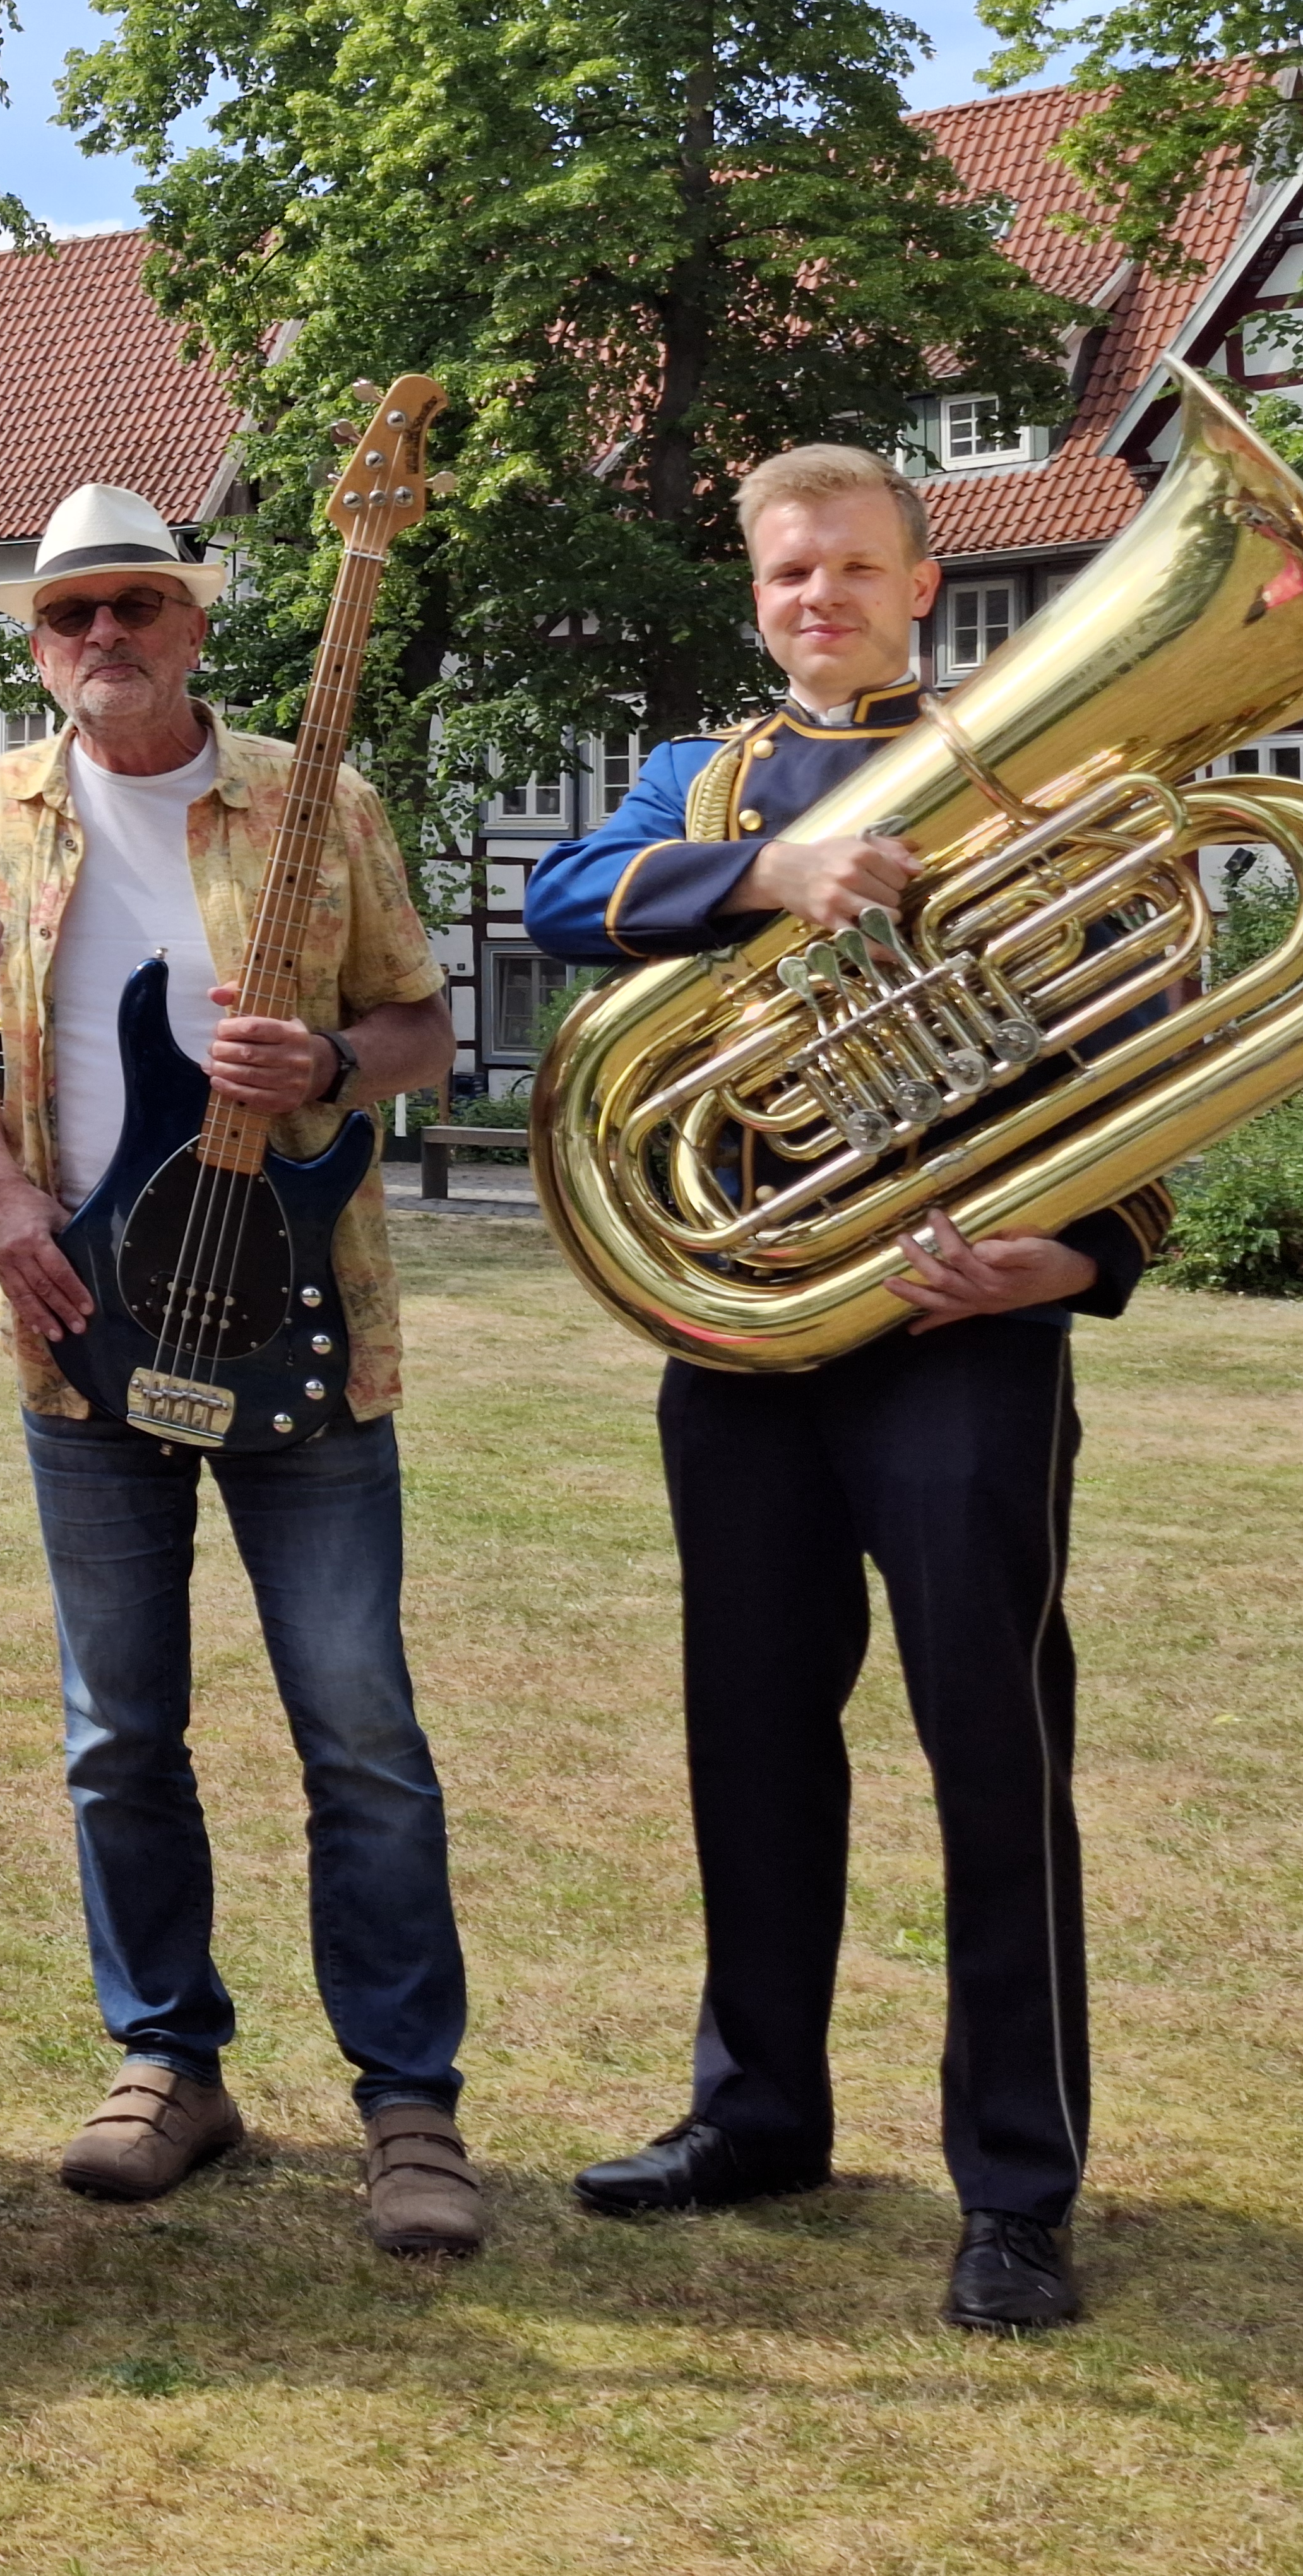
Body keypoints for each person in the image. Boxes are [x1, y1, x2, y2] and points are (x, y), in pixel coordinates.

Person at [520, 441, 1162, 2338]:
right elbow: (560, 898)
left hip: (958, 1335)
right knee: (746, 1733)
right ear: (756, 594)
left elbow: (1146, 1043)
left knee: (992, 1748)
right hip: (747, 1323)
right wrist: (768, 875)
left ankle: (1016, 2186)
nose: (819, 599)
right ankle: (756, 2114)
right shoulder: (704, 781)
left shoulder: (1030, 767)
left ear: (917, 582)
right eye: (788, 574)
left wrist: (1080, 1254)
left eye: (853, 569)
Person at [0, 481, 482, 2255]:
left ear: (192, 626)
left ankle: (408, 2102)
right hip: (82, 1326)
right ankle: (169, 2060)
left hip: (295, 1319)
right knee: (116, 1734)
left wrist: (325, 1061)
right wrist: (3, 1198)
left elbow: (423, 1027)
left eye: (134, 606)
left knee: (358, 1729)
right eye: (67, 613)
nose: (102, 636)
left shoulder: (322, 802)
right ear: (34, 645)